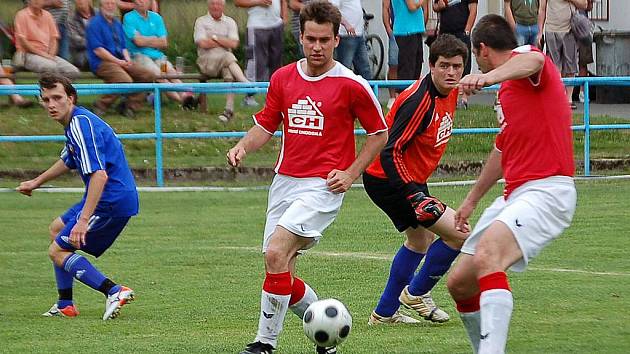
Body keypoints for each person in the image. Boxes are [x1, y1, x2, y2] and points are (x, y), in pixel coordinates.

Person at [229, 2, 387, 353]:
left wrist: (350, 173)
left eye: (325, 40)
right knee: (280, 266)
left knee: (275, 253)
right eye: (310, 39)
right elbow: (266, 124)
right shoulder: (283, 78)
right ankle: (325, 330)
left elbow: (379, 133)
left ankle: (263, 343)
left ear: (336, 39)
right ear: (300, 37)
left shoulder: (352, 84)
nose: (317, 47)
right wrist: (242, 146)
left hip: (323, 185)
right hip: (284, 181)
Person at [447, 14, 577, 353]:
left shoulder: (529, 62)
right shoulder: (508, 88)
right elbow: (503, 147)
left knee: (489, 254)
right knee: (460, 284)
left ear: (482, 49)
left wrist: (487, 77)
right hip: (515, 194)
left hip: (548, 190)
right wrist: (472, 200)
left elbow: (534, 60)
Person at [363, 34, 470, 326]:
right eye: (444, 66)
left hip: (407, 178)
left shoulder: (451, 90)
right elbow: (390, 151)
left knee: (421, 240)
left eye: (457, 66)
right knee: (458, 233)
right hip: (388, 178)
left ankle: (384, 314)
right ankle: (417, 294)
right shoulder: (419, 101)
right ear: (430, 66)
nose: (451, 72)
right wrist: (414, 195)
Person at [17, 72, 138, 320]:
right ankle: (65, 304)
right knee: (56, 230)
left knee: (57, 251)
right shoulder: (77, 123)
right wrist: (36, 182)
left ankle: (113, 291)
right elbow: (68, 160)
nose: (51, 104)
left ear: (70, 97)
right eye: (46, 99)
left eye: (57, 97)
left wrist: (83, 221)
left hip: (109, 201)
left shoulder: (80, 124)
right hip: (106, 196)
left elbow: (99, 175)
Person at [86, 0, 156, 118]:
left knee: (148, 75)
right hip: (102, 62)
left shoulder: (117, 23)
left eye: (112, 4)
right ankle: (100, 105)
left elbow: (123, 46)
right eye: (107, 4)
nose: (110, 6)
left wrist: (127, 59)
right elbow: (98, 50)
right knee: (124, 79)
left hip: (120, 61)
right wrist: (118, 61)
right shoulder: (94, 24)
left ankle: (130, 106)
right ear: (101, 6)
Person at [123, 0, 196, 108]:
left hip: (158, 56)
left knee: (171, 73)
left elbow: (164, 43)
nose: (141, 2)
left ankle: (187, 96)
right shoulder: (129, 18)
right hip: (139, 56)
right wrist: (154, 39)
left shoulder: (156, 18)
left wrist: (145, 39)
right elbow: (138, 42)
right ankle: (183, 100)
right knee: (159, 75)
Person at [194, 0, 251, 122]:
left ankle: (228, 111)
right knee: (228, 57)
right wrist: (223, 41)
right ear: (208, 5)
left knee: (229, 67)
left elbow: (234, 43)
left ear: (223, 6)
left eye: (218, 4)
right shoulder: (201, 21)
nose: (215, 6)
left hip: (224, 62)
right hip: (206, 61)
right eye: (213, 4)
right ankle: (246, 84)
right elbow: (202, 43)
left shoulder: (230, 22)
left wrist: (214, 38)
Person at [234, 0, 287, 108]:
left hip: (276, 25)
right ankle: (249, 97)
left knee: (276, 63)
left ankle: (273, 98)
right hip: (256, 25)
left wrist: (284, 17)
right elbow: (238, 2)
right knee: (255, 63)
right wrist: (259, 2)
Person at [537, 0, 588, 110]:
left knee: (570, 66)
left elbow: (584, 4)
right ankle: (557, 97)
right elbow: (542, 9)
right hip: (551, 30)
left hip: (570, 30)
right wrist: (540, 31)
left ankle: (568, 99)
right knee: (555, 68)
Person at [13, 0, 79, 78]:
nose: (36, 1)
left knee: (73, 71)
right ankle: (47, 87)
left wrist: (50, 55)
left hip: (47, 54)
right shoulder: (21, 15)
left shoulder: (48, 15)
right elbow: (23, 42)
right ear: (28, 1)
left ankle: (59, 87)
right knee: (50, 67)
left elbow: (54, 39)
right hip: (28, 54)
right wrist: (44, 55)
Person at [433, 0, 478, 109]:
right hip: (445, 33)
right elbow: (434, 7)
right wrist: (438, 6)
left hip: (461, 33)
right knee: (444, 66)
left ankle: (462, 99)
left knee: (463, 65)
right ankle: (444, 98)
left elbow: (473, 10)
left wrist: (467, 31)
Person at [329, 0, 371, 79]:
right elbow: (333, 10)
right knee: (345, 68)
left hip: (358, 33)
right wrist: (346, 24)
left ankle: (368, 90)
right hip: (346, 35)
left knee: (365, 69)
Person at [391, 0, 428, 85]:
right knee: (407, 68)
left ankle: (413, 92)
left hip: (415, 30)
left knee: (417, 65)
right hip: (406, 31)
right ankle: (404, 94)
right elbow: (412, 7)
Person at [68, 0, 96, 70]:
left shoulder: (99, 14)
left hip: (101, 49)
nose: (79, 1)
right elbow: (74, 39)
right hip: (81, 52)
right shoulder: (71, 17)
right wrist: (96, 44)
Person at [382, 0, 398, 109]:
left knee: (411, 64)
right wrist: (388, 28)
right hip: (395, 30)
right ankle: (392, 97)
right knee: (393, 64)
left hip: (412, 32)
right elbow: (385, 8)